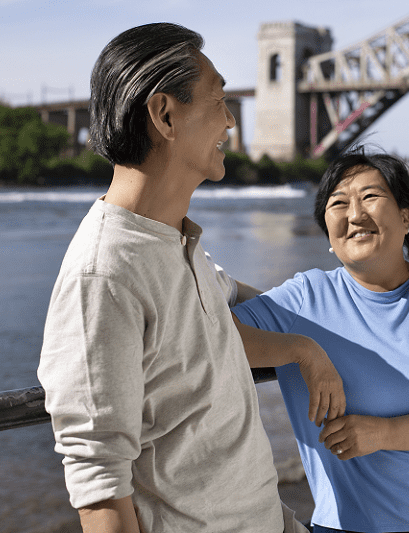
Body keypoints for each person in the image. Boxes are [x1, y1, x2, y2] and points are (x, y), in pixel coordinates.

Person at [37, 23, 345, 533]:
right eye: (219, 99)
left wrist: (306, 345)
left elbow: (215, 325)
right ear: (165, 115)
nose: (230, 119)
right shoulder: (104, 275)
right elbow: (99, 488)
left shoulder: (180, 244)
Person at [233, 150, 409, 532]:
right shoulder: (302, 300)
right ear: (330, 236)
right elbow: (204, 327)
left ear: (405, 216)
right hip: (359, 525)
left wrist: (384, 434)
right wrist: (301, 349)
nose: (355, 214)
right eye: (338, 203)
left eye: (370, 196)